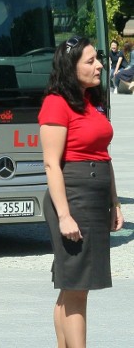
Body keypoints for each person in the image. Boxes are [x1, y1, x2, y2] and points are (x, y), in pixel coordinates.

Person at [39, 35, 123, 348]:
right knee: (77, 287)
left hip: (95, 196)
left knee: (73, 286)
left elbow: (104, 154)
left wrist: (114, 202)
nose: (99, 65)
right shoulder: (56, 103)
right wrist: (64, 215)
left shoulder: (93, 102)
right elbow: (51, 164)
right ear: (71, 69)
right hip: (73, 197)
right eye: (90, 61)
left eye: (97, 59)